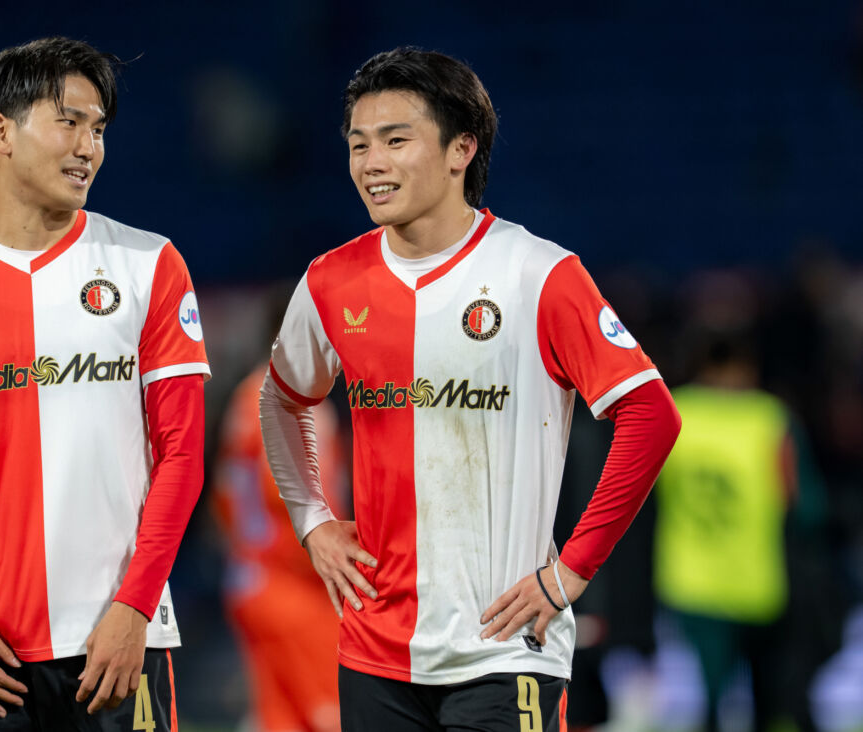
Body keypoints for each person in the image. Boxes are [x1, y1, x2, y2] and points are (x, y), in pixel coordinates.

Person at [259, 47, 682, 731]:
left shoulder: (537, 275)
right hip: (373, 652)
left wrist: (570, 571)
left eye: (396, 140)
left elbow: (651, 415)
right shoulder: (330, 281)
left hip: (505, 647)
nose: (371, 163)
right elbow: (282, 398)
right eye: (359, 144)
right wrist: (312, 520)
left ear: (462, 149)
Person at [0, 37, 209, 731]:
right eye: (69, 121)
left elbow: (182, 454)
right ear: (1, 132)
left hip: (119, 641)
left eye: (100, 128)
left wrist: (135, 606)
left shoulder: (150, 265)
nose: (89, 146)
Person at [653, 334, 806, 731]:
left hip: (690, 581)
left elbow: (642, 487)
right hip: (756, 582)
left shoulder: (674, 411)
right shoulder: (769, 417)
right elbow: (795, 497)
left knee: (704, 704)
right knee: (767, 703)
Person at [213, 356, 346, 732]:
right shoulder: (296, 402)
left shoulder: (248, 393)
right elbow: (291, 498)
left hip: (251, 576)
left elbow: (224, 493)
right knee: (332, 716)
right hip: (295, 587)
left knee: (280, 719)